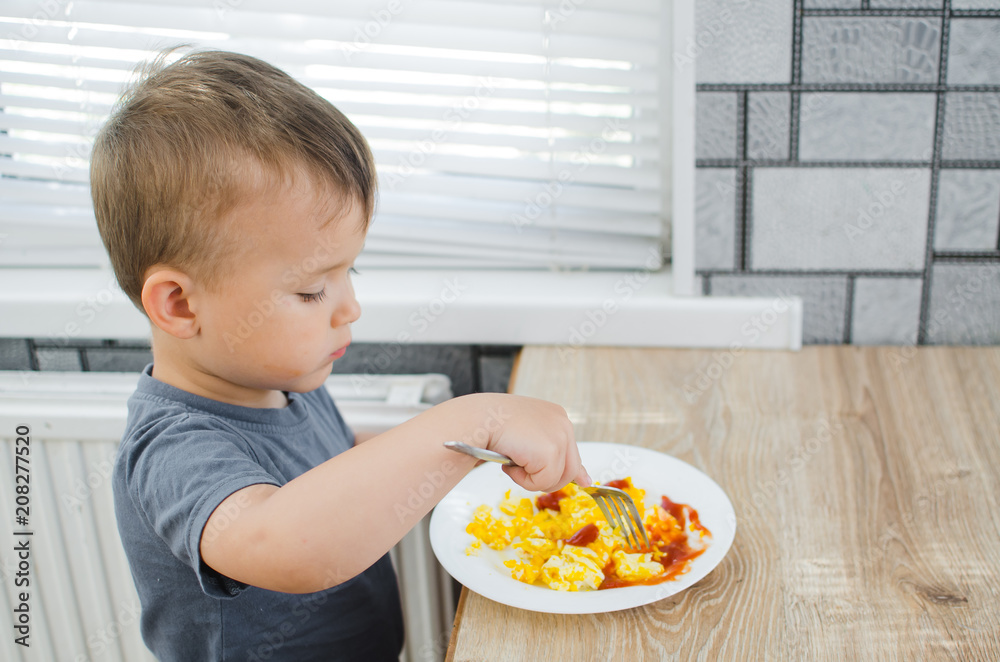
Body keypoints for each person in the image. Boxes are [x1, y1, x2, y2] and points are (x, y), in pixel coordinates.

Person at [92, 49, 590, 662]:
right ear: (180, 306)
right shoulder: (172, 448)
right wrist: (471, 418)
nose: (349, 305)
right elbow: (290, 543)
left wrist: (462, 454)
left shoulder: (283, 380)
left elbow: (337, 474)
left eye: (349, 269)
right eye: (311, 289)